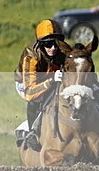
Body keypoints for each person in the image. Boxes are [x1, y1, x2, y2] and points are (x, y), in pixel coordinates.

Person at [13, 19, 68, 151]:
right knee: (38, 98)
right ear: (41, 44)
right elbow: (30, 92)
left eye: (56, 44)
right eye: (48, 44)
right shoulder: (31, 56)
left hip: (52, 77)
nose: (53, 48)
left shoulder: (63, 51)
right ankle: (32, 131)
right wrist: (52, 81)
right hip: (26, 85)